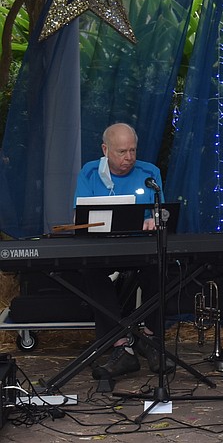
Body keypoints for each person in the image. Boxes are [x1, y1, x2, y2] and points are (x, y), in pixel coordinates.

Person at [75, 123, 172, 380]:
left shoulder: (149, 173)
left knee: (159, 265)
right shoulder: (89, 173)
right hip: (101, 250)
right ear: (105, 150)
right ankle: (121, 346)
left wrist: (155, 218)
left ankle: (151, 339)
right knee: (89, 270)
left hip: (141, 248)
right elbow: (81, 217)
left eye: (132, 150)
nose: (129, 158)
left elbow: (162, 212)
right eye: (121, 152)